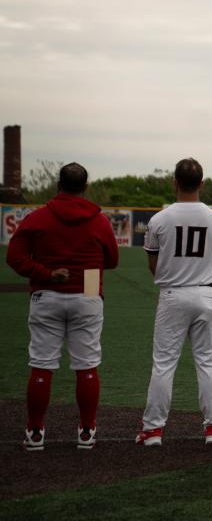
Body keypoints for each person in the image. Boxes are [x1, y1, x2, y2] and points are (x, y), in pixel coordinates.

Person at [7, 163, 119, 451]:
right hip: (89, 289)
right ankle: (86, 431)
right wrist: (87, 269)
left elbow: (14, 257)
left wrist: (45, 272)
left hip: (47, 292)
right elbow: (113, 260)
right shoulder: (99, 220)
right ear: (85, 186)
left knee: (42, 365)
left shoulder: (38, 217)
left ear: (59, 184)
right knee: (87, 365)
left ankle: (34, 432)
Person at [136, 158, 212, 447]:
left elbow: (153, 262)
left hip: (172, 294)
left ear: (174, 182)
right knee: (208, 362)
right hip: (205, 292)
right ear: (202, 183)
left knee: (164, 364)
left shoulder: (159, 218)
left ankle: (153, 430)